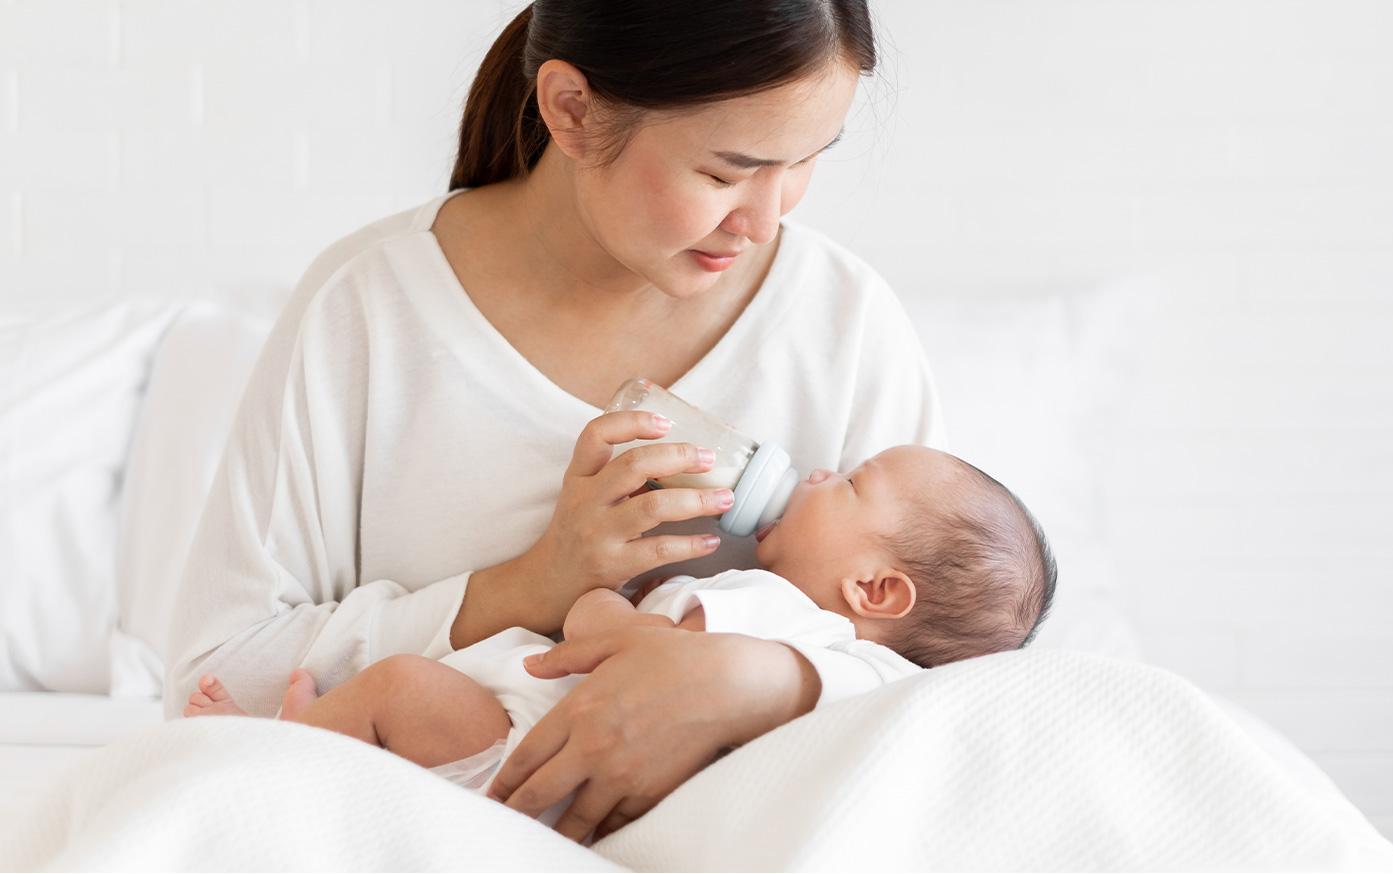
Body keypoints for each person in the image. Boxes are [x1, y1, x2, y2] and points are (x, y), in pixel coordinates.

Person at [165, 0, 947, 844]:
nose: (766, 220)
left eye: (804, 164)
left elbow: (948, 687)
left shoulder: (845, 323)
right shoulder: (367, 308)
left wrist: (758, 681)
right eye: (726, 173)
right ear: (571, 109)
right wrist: (534, 583)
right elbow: (216, 676)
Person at [183, 446, 1057, 835]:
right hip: (542, 773)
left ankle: (280, 769)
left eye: (854, 482)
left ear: (875, 588)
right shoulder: (823, 655)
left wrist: (600, 597)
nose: (823, 471)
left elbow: (629, 653)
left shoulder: (774, 613)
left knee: (398, 689)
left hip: (526, 752)